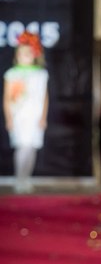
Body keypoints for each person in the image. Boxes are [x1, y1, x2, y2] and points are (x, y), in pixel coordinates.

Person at [3, 31, 49, 193]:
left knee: (32, 148)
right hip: (19, 117)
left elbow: (45, 97)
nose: (25, 56)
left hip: (35, 116)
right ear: (17, 55)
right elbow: (7, 99)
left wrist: (43, 117)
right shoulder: (12, 74)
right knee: (23, 146)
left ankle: (26, 178)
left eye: (28, 53)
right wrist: (9, 118)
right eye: (22, 54)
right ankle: (19, 179)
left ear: (35, 54)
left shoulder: (41, 74)